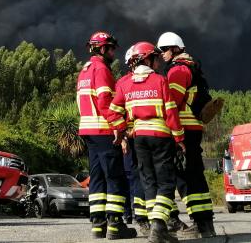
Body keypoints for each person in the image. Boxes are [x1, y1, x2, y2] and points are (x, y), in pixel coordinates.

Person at [107, 42, 185, 243]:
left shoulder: (124, 83)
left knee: (148, 181)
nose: (158, 61)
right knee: (166, 181)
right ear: (146, 59)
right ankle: (159, 226)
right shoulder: (160, 81)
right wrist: (179, 139)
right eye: (155, 58)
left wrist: (123, 131)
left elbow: (113, 112)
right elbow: (171, 112)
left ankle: (154, 228)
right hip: (160, 137)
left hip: (139, 139)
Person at [156, 32, 218, 238]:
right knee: (194, 174)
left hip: (184, 130)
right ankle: (205, 224)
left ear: (175, 49)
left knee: (184, 177)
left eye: (164, 50)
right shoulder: (191, 67)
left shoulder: (177, 71)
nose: (162, 54)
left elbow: (170, 103)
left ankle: (200, 225)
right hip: (193, 128)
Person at [77, 31, 137, 239]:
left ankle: (98, 224)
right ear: (102, 49)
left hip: (88, 131)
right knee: (115, 176)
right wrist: (120, 126)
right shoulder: (101, 69)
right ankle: (115, 225)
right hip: (103, 131)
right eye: (111, 48)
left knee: (98, 178)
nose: (113, 52)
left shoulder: (85, 70)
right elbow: (104, 102)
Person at [120, 47, 149, 234]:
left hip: (143, 137)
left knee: (143, 177)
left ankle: (141, 214)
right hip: (131, 139)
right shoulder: (123, 83)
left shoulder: (152, 80)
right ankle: (132, 214)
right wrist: (123, 136)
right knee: (133, 177)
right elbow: (117, 112)